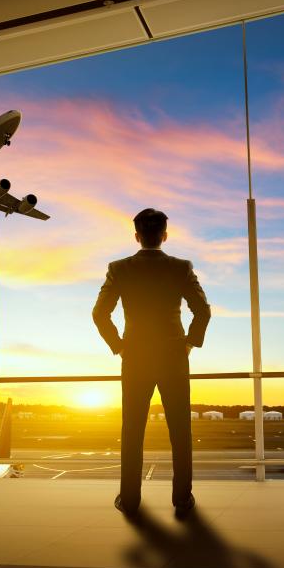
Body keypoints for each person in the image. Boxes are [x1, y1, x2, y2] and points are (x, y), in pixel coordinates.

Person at [92, 208, 211, 518]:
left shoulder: (119, 268)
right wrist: (188, 344)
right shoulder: (181, 268)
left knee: (132, 430)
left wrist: (118, 345)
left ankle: (130, 500)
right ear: (164, 236)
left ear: (137, 236)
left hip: (135, 357)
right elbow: (203, 311)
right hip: (173, 356)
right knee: (180, 431)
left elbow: (99, 314)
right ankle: (182, 500)